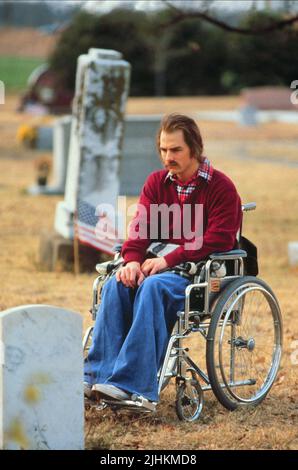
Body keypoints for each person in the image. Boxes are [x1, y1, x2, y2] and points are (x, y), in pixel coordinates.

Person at [84, 113, 242, 403]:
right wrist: (131, 260)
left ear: (194, 148)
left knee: (152, 288)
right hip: (154, 265)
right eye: (164, 149)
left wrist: (168, 260)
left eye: (176, 150)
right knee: (117, 284)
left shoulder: (221, 187)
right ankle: (96, 377)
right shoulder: (157, 183)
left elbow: (219, 237)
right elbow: (140, 230)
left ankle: (131, 384)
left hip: (196, 274)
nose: (168, 157)